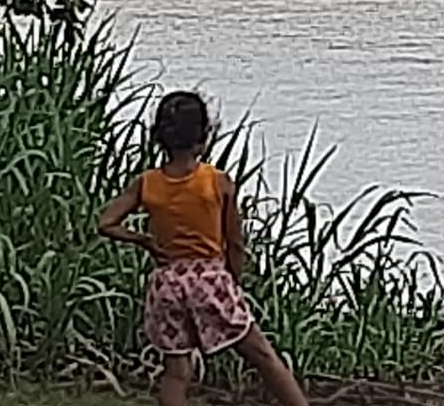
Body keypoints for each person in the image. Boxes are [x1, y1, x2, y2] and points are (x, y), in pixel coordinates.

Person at [98, 91, 310, 406]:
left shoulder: (146, 183)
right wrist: (234, 283)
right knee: (263, 355)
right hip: (210, 279)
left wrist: (143, 241)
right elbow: (235, 243)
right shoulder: (217, 181)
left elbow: (106, 222)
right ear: (203, 136)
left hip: (167, 283)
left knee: (176, 370)